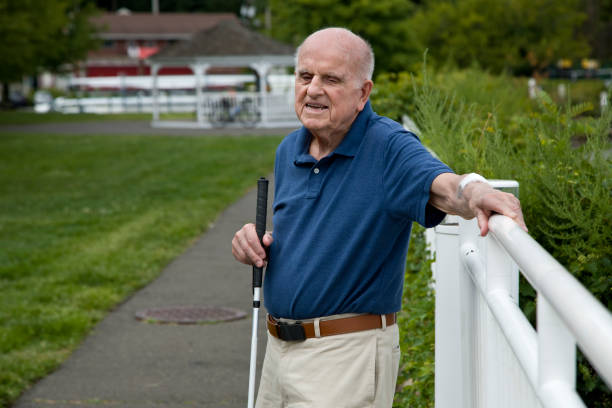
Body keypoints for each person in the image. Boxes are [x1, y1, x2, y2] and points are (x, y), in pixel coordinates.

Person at [232, 27, 526, 408]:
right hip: (277, 352)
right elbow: (312, 230)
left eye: (331, 79)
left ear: (363, 93)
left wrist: (475, 190)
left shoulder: (388, 146)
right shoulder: (290, 147)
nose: (314, 89)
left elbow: (443, 185)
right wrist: (258, 243)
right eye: (305, 76)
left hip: (345, 358)